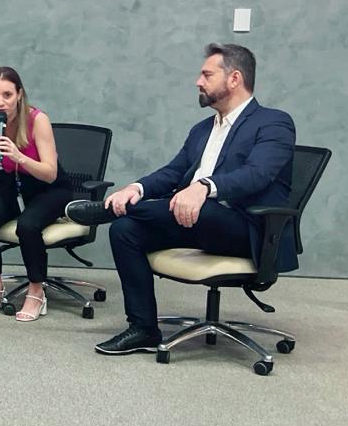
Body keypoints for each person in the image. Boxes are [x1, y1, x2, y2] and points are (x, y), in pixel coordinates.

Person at [66, 43, 296, 355]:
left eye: (207, 75)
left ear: (234, 78)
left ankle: (111, 210)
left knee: (202, 208)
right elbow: (174, 172)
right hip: (194, 220)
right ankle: (143, 329)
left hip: (247, 228)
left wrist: (203, 187)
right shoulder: (202, 129)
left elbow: (258, 173)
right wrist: (136, 188)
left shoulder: (273, 122)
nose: (198, 82)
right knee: (125, 231)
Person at [0, 67, 72, 320]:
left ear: (19, 94)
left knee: (27, 225)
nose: (1, 102)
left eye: (7, 95)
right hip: (12, 181)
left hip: (48, 186)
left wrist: (19, 157)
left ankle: (36, 292)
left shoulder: (38, 120)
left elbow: (50, 172)